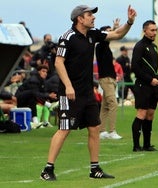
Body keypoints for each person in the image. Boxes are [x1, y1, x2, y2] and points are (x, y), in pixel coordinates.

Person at [40, 4, 136, 180]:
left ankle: (94, 169)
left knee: (94, 128)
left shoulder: (92, 34)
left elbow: (117, 34)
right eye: (90, 15)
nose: (93, 17)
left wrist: (129, 22)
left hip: (87, 93)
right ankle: (47, 169)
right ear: (80, 18)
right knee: (64, 129)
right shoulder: (67, 37)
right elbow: (59, 63)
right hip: (69, 93)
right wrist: (68, 86)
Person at [131, 20, 158, 152]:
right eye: (152, 30)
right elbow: (135, 67)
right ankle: (136, 145)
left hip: (154, 86)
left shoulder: (154, 47)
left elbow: (154, 68)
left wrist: (157, 81)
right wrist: (150, 80)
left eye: (156, 30)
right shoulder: (139, 46)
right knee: (142, 113)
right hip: (143, 85)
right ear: (145, 31)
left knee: (150, 114)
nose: (154, 32)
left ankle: (147, 144)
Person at [96, 21, 122, 140]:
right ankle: (112, 131)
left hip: (110, 78)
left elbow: (111, 36)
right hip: (106, 78)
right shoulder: (101, 45)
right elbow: (108, 37)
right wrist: (114, 29)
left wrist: (115, 28)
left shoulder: (105, 45)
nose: (111, 32)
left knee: (105, 105)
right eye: (109, 30)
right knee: (113, 103)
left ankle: (101, 131)